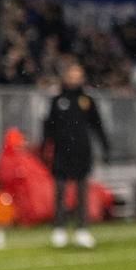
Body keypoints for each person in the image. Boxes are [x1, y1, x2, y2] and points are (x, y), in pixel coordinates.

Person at [42, 62, 109, 249]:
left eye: (77, 75)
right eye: (71, 74)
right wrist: (45, 147)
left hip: (82, 151)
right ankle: (59, 229)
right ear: (65, 77)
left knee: (82, 192)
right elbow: (49, 126)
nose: (74, 78)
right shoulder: (57, 100)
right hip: (61, 152)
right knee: (61, 191)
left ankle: (82, 230)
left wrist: (106, 147)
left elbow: (97, 125)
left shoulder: (87, 100)